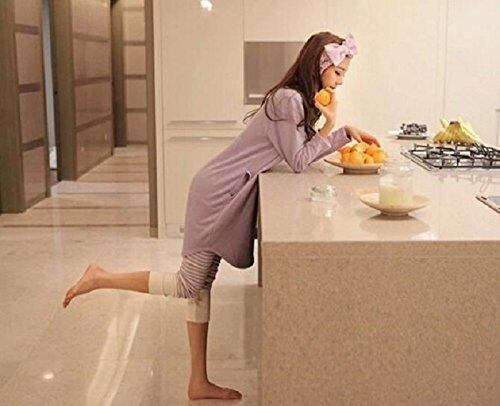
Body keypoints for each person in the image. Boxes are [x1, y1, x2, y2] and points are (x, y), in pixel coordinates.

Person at [63, 31, 380, 401]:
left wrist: (337, 130)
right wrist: (336, 127)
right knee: (188, 284)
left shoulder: (295, 100)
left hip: (223, 190)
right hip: (216, 194)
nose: (340, 81)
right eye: (338, 72)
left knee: (201, 286)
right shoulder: (289, 100)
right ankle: (100, 277)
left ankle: (198, 381)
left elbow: (300, 150)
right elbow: (298, 160)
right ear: (320, 64)